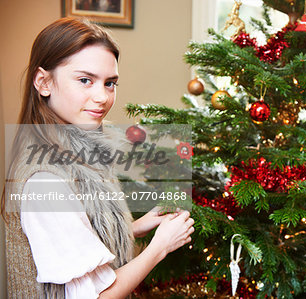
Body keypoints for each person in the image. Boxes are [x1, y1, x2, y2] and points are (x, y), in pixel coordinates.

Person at [2, 17, 195, 298]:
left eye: (110, 83)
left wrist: (135, 227)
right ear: (44, 82)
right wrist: (160, 247)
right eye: (85, 80)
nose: (102, 97)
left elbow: (75, 234)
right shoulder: (45, 181)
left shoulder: (71, 151)